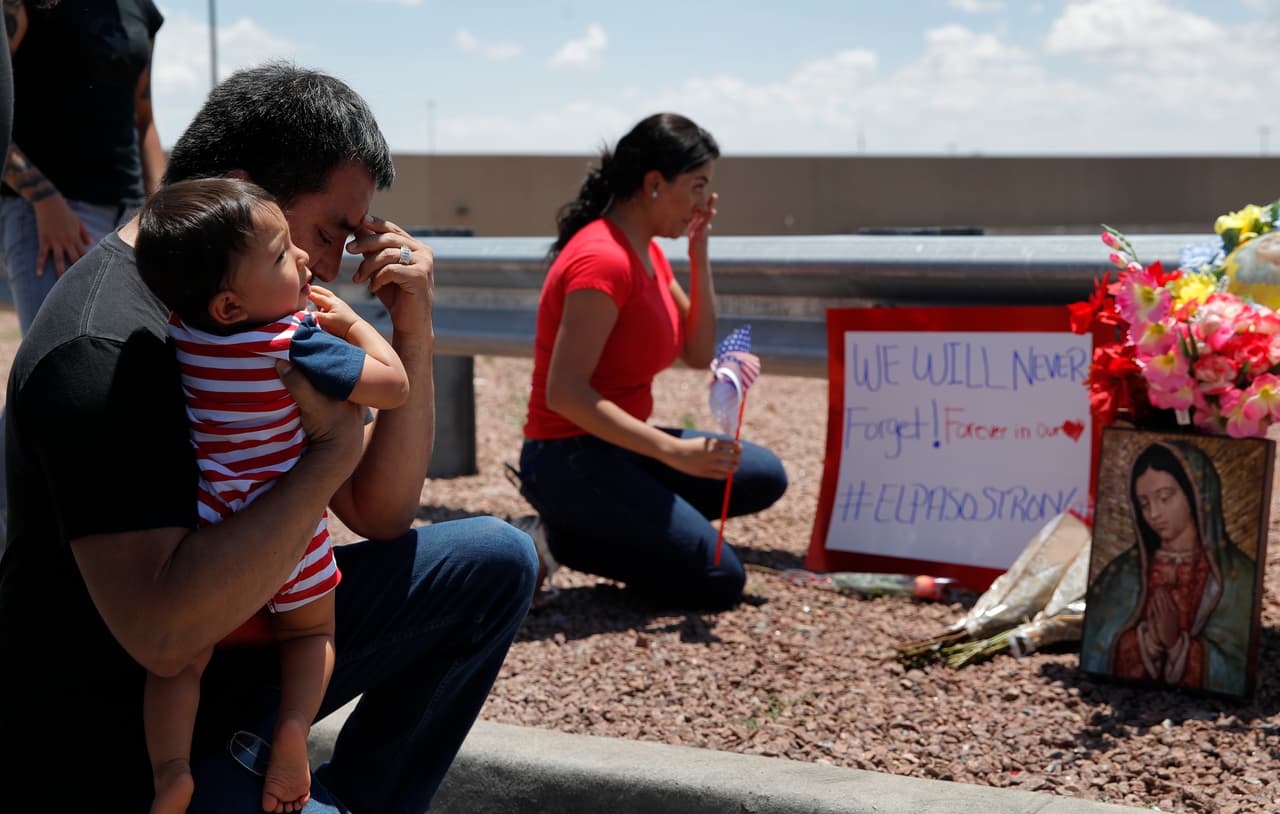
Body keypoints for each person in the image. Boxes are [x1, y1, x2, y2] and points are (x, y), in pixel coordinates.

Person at [0, 62, 538, 813]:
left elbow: (380, 514)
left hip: (245, 652)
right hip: (131, 741)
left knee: (496, 561)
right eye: (325, 235)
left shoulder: (257, 308)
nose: (331, 266)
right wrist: (330, 454)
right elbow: (162, 637)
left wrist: (413, 327)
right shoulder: (102, 349)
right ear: (240, 194)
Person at [135, 178, 411, 813]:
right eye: (284, 253)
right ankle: (291, 729)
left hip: (214, 523)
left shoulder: (183, 331)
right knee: (310, 634)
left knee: (179, 664)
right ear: (231, 305)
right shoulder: (293, 342)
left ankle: (171, 771)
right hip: (291, 521)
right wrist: (352, 326)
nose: (306, 258)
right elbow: (392, 385)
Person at [515, 113, 787, 609]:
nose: (706, 201)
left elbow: (698, 352)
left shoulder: (648, 252)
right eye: (698, 186)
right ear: (655, 184)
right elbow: (566, 394)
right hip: (566, 459)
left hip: (623, 446)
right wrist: (672, 451)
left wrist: (699, 252)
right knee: (720, 579)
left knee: (762, 474)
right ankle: (554, 539)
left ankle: (627, 523)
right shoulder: (603, 259)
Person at [2, 0, 164, 332]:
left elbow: (144, 119)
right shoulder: (24, 4)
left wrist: (164, 210)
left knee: (128, 353)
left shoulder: (141, 10)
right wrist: (45, 201)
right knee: (61, 352)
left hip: (130, 217)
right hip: (50, 219)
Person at [1080, 440, 1257, 697]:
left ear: (1195, 495)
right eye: (1144, 504)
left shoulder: (1239, 576)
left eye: (1165, 498)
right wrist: (1149, 642)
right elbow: (1096, 649)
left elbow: (1236, 668)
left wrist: (1176, 644)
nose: (1153, 513)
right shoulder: (1121, 573)